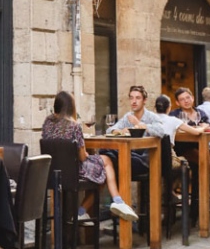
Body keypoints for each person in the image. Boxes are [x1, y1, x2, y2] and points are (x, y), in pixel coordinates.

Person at [42, 91, 138, 222]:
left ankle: (83, 212)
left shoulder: (47, 123)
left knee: (101, 172)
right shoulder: (74, 126)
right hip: (74, 171)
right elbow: (82, 157)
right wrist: (86, 153)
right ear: (71, 107)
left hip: (53, 172)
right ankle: (117, 201)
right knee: (105, 164)